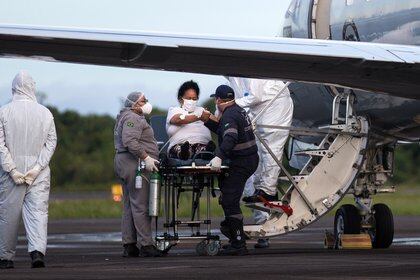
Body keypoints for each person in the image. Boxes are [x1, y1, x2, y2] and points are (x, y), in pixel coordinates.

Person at [0, 71, 57, 269]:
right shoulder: (45, 112)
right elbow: (51, 142)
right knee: (38, 212)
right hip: (38, 173)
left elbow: (0, 145)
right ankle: (37, 253)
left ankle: (6, 258)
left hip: (10, 174)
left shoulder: (3, 112)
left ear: (14, 87)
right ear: (33, 87)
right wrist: (37, 167)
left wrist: (12, 169)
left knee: (8, 215)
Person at [228, 77, 294, 249]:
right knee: (255, 155)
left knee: (271, 148)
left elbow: (254, 96)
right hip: (259, 107)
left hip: (274, 103)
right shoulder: (233, 77)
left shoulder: (247, 69)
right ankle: (262, 208)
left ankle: (268, 191)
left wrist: (231, 105)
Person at [201, 85, 259, 256]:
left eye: (215, 99)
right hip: (248, 159)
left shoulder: (230, 115)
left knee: (230, 201)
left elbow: (230, 137)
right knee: (228, 198)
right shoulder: (237, 110)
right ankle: (234, 237)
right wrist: (207, 120)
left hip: (241, 162)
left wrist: (219, 156)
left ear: (218, 100)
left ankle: (239, 243)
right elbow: (223, 129)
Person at [114, 91, 163, 258]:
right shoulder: (132, 118)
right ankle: (146, 244)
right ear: (134, 104)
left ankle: (129, 244)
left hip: (126, 162)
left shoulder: (128, 116)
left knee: (130, 205)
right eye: (143, 101)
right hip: (134, 164)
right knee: (141, 205)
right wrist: (146, 157)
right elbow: (130, 142)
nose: (146, 103)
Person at [166, 80, 214, 160]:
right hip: (180, 144)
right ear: (181, 99)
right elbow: (178, 119)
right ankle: (184, 153)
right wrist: (199, 116)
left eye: (194, 98)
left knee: (201, 149)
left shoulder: (202, 110)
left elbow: (216, 120)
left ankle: (206, 153)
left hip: (201, 143)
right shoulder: (174, 110)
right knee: (182, 149)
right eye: (188, 98)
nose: (191, 101)